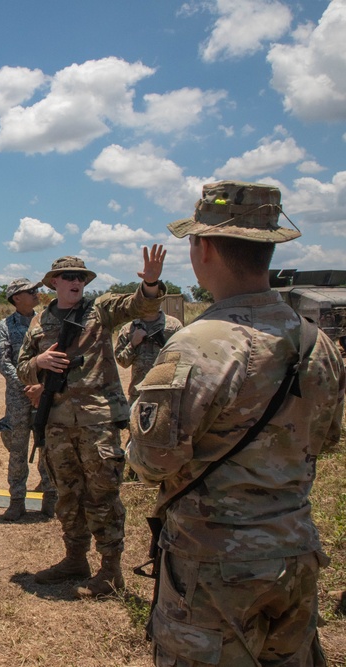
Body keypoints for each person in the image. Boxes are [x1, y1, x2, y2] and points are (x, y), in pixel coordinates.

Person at [127, 181, 345, 666]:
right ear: (268, 248)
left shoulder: (197, 344)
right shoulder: (317, 342)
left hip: (215, 566)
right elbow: (326, 439)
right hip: (295, 549)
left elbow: (151, 464)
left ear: (201, 249)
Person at [17, 248, 166, 598]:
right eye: (68, 276)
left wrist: (150, 282)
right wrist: (39, 360)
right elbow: (22, 366)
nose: (75, 281)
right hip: (56, 421)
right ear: (53, 283)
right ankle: (74, 559)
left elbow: (141, 307)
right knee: (67, 493)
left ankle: (111, 570)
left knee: (102, 495)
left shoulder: (99, 310)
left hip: (97, 420)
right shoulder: (39, 322)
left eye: (80, 277)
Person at [0, 278, 56, 522]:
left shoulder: (46, 320)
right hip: (19, 398)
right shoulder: (4, 326)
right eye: (31, 291)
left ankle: (50, 500)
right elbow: (4, 362)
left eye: (36, 290)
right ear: (16, 298)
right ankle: (17, 501)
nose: (36, 293)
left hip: (45, 393)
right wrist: (27, 386)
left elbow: (55, 355)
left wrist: (42, 387)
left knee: (47, 447)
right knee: (18, 450)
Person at [114, 307, 183, 404]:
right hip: (138, 395)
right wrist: (133, 343)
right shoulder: (129, 329)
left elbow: (183, 358)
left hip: (166, 394)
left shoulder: (174, 326)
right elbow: (122, 362)